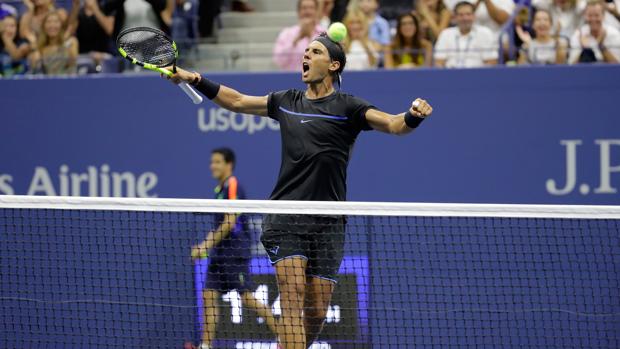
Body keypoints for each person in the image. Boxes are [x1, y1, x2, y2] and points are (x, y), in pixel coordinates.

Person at [166, 32, 433, 349]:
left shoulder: (348, 107)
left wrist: (412, 117)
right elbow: (237, 101)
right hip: (285, 218)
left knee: (317, 311)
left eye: (315, 51)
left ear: (333, 64)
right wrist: (195, 78)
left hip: (329, 222)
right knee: (291, 295)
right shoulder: (287, 101)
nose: (305, 55)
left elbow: (392, 124)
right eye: (305, 51)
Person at [190, 148, 277, 349]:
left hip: (234, 252)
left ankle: (285, 338)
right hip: (219, 253)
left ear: (228, 165)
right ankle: (205, 345)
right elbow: (218, 227)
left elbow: (229, 223)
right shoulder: (218, 189)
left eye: (217, 162)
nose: (213, 166)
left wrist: (204, 246)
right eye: (212, 162)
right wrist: (203, 249)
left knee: (246, 297)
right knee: (208, 295)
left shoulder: (232, 185)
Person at [434, 1, 498, 68]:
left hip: (478, 75)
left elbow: (492, 61)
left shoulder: (485, 33)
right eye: (461, 15)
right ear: (455, 17)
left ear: (474, 16)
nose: (465, 18)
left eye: (468, 14)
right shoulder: (446, 34)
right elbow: (438, 62)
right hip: (450, 75)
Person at [273, 0, 324, 71]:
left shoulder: (325, 34)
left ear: (316, 11)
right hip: (291, 79)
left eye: (311, 8)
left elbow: (327, 62)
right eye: (304, 8)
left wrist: (310, 38)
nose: (308, 11)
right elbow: (278, 61)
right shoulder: (287, 34)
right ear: (298, 12)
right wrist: (296, 40)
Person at [30, 10, 78, 75]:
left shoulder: (71, 43)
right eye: (49, 22)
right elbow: (33, 71)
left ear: (61, 25)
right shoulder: (39, 48)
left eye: (56, 22)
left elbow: (73, 66)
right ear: (44, 26)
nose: (52, 25)